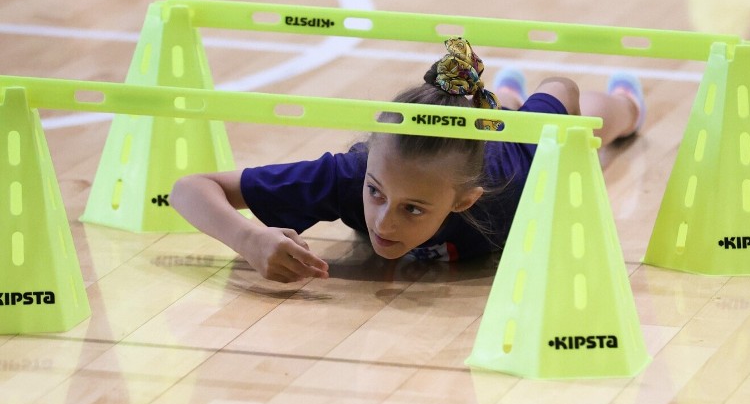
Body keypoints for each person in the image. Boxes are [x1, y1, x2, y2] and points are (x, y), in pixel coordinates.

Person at [170, 37, 646, 283]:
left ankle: (625, 103)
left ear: (464, 201)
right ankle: (497, 97)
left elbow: (563, 88)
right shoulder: (351, 174)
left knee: (594, 131)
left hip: (510, 141)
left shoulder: (513, 186)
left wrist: (565, 156)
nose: (383, 219)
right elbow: (189, 188)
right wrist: (249, 239)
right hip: (473, 140)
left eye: (413, 209)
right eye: (376, 193)